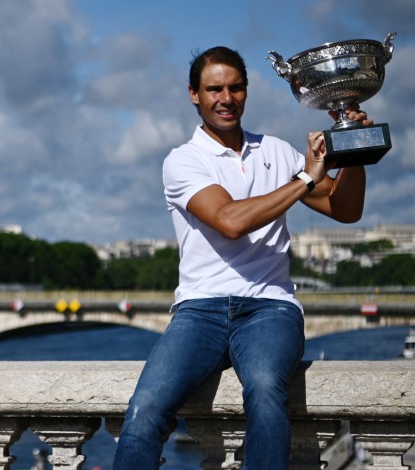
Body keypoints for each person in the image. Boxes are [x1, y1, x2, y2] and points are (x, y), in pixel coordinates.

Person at [113, 46, 368, 470]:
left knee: (266, 391)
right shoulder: (184, 161)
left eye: (235, 88)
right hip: (200, 309)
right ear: (194, 94)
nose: (226, 99)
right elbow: (230, 221)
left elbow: (346, 209)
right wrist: (306, 178)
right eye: (214, 89)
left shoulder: (277, 152)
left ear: (247, 92)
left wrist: (353, 151)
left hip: (271, 308)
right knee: (146, 407)